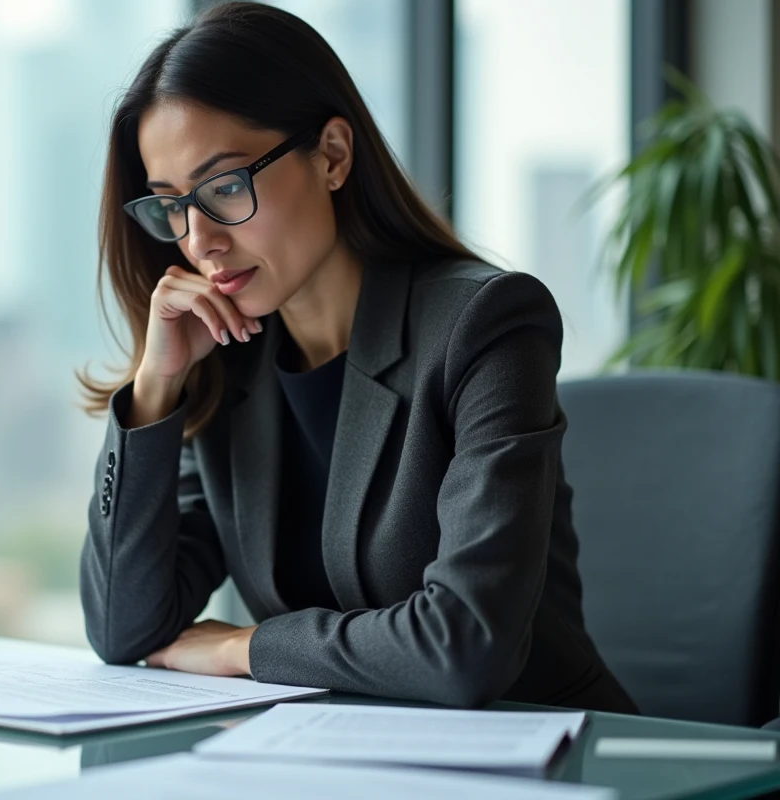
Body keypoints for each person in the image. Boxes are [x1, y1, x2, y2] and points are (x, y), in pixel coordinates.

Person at [77, 1, 637, 713]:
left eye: (224, 187)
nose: (199, 241)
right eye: (172, 206)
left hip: (539, 754)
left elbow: (464, 645)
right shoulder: (227, 355)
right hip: (334, 760)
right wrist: (156, 387)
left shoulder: (484, 324)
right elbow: (124, 627)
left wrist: (241, 648)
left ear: (333, 156)